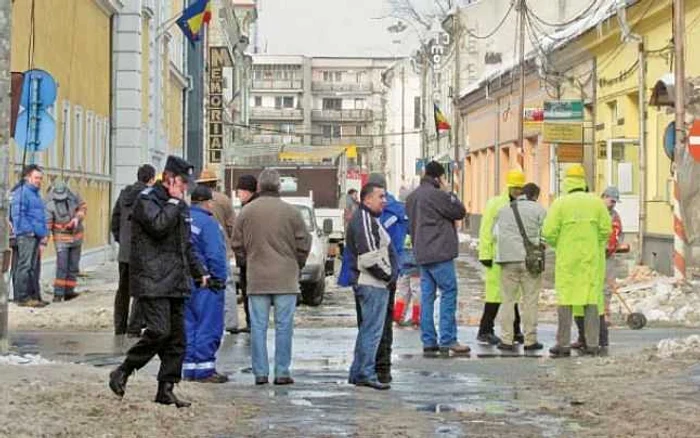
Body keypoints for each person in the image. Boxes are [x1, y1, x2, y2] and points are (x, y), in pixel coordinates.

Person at [109, 156, 208, 408]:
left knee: (177, 339)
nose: (186, 187)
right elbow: (158, 226)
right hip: (152, 279)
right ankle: (123, 369)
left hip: (176, 279)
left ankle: (166, 388)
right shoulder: (146, 200)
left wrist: (200, 271)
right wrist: (174, 201)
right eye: (182, 182)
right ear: (169, 178)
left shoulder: (179, 205)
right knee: (159, 331)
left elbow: (185, 243)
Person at [232, 169, 311, 385]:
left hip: (257, 277)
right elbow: (304, 243)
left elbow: (236, 243)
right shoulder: (291, 212)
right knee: (284, 327)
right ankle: (282, 372)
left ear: (258, 187)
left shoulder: (246, 213)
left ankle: (260, 373)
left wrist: (248, 260)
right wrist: (297, 263)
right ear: (279, 187)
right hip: (286, 278)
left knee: (258, 327)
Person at [543, 165, 611, 358]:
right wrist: (595, 245)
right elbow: (606, 230)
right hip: (590, 260)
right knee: (591, 300)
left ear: (567, 182)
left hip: (567, 261)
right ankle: (592, 343)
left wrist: (560, 244)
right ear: (583, 181)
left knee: (565, 301)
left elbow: (548, 232)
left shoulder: (560, 204)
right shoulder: (596, 203)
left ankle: (562, 344)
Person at [406, 161, 469, 357]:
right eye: (443, 178)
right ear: (438, 178)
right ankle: (448, 339)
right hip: (440, 253)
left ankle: (428, 341)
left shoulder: (412, 197)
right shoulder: (438, 195)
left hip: (422, 254)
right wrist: (449, 192)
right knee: (449, 292)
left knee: (427, 297)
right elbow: (459, 211)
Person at [346, 182, 398, 390]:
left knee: (368, 330)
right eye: (380, 197)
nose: (384, 201)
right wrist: (388, 275)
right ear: (367, 199)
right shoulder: (365, 220)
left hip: (373, 282)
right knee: (372, 331)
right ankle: (365, 373)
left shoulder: (368, 219)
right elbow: (369, 258)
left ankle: (358, 371)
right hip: (372, 283)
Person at [493, 182, 547, 351]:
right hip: (530, 261)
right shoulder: (539, 210)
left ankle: (506, 340)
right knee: (530, 300)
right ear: (535, 196)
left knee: (508, 301)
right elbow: (547, 233)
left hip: (507, 260)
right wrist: (540, 245)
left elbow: (495, 234)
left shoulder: (503, 210)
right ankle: (530, 340)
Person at [183, 185, 229, 383]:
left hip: (184, 281)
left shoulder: (182, 220)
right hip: (206, 282)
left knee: (188, 326)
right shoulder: (209, 223)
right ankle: (204, 370)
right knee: (208, 326)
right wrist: (219, 278)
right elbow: (215, 254)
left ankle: (189, 369)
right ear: (208, 203)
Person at [476, 170, 526, 346]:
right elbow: (486, 230)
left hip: (512, 255)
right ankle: (485, 330)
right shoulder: (496, 204)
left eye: (520, 188)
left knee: (512, 295)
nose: (518, 191)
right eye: (515, 188)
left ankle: (515, 330)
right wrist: (485, 254)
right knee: (495, 295)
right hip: (497, 257)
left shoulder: (522, 204)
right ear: (509, 186)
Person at [572, 186, 623, 351]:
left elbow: (617, 234)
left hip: (606, 258)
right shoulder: (593, 210)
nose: (613, 205)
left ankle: (601, 331)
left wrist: (612, 248)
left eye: (615, 202)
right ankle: (585, 336)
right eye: (612, 201)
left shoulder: (615, 216)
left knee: (605, 291)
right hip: (590, 257)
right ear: (604, 196)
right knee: (586, 295)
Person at [111, 164, 156, 336]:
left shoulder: (124, 194)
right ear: (151, 179)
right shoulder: (149, 196)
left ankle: (119, 327)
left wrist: (121, 240)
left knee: (123, 290)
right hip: (142, 251)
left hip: (125, 251)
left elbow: (114, 221)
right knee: (140, 289)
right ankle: (134, 327)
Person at [196, 168, 238, 335]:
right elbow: (232, 226)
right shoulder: (224, 200)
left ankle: (204, 320)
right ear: (215, 183)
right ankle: (230, 323)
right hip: (221, 249)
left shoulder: (194, 200)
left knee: (202, 285)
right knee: (226, 285)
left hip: (199, 250)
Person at [10, 164, 49, 308]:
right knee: (24, 266)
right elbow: (18, 215)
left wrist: (43, 234)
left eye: (40, 178)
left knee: (32, 267)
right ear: (28, 177)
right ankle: (22, 297)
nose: (39, 181)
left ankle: (33, 296)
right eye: (36, 178)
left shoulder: (35, 194)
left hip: (36, 236)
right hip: (27, 235)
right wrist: (29, 231)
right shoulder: (22, 193)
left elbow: (40, 216)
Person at [45, 181, 87, 303]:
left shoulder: (74, 195)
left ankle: (69, 291)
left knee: (73, 266)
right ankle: (58, 294)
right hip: (61, 239)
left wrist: (76, 218)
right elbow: (48, 224)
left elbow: (83, 207)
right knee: (62, 267)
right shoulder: (49, 203)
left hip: (76, 237)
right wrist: (43, 242)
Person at [232, 174, 259, 333]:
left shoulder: (250, 208)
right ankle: (251, 323)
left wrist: (241, 255)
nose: (238, 194)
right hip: (248, 259)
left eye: (240, 191)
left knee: (250, 292)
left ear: (248, 191)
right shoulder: (248, 206)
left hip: (250, 259)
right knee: (248, 292)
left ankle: (252, 323)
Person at [393, 234, 421, 328]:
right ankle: (416, 319)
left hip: (403, 266)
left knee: (402, 293)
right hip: (416, 266)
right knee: (417, 293)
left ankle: (398, 316)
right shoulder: (417, 227)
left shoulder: (402, 228)